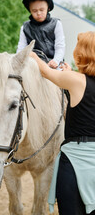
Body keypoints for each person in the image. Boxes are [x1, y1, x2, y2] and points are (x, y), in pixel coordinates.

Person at [30, 31, 95, 215]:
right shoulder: (74, 80)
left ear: (81, 53)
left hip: (75, 161)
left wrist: (33, 54)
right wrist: (69, 75)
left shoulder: (74, 80)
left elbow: (45, 71)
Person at [17, 0, 65, 69]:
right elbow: (21, 48)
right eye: (34, 11)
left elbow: (60, 46)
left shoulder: (56, 24)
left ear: (48, 8)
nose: (38, 13)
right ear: (30, 11)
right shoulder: (25, 27)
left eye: (42, 10)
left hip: (53, 63)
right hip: (33, 65)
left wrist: (56, 61)